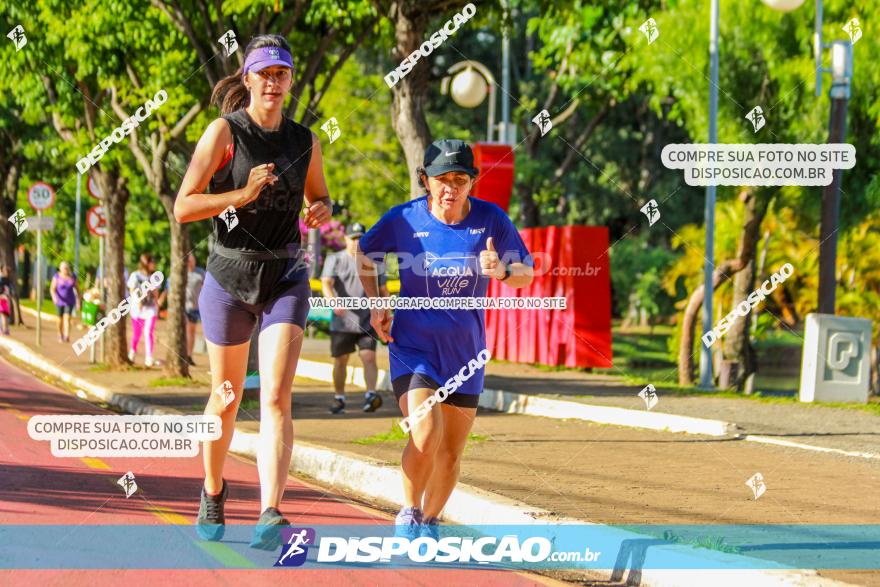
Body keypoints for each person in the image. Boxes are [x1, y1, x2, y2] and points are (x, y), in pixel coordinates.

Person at [174, 34, 332, 550]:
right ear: (248, 79)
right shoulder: (225, 133)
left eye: (282, 73)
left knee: (278, 396)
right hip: (229, 276)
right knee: (226, 398)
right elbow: (184, 206)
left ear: (289, 81)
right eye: (264, 73)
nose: (273, 81)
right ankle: (213, 489)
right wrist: (241, 195)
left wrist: (323, 209)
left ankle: (269, 511)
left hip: (284, 274)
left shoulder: (305, 140)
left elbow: (320, 195)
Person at [356, 139, 534, 540]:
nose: (450, 187)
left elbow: (527, 272)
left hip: (466, 354)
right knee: (425, 431)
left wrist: (502, 272)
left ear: (472, 182)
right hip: (413, 346)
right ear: (425, 180)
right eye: (441, 179)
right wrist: (376, 302)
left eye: (460, 178)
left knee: (451, 453)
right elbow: (366, 255)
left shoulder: (492, 220)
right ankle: (408, 511)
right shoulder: (403, 218)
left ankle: (430, 521)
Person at [321, 222, 389, 414]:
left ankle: (371, 395)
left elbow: (383, 290)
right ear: (346, 239)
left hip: (368, 320)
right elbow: (326, 283)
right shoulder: (336, 259)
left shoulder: (375, 261)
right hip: (343, 321)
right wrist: (334, 302)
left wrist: (386, 311)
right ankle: (339, 397)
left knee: (368, 357)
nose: (357, 242)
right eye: (353, 238)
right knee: (341, 359)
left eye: (360, 238)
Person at [127, 253, 161, 367]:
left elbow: (156, 291)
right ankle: (132, 351)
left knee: (148, 332)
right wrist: (139, 301)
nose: (154, 264)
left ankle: (149, 357)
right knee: (137, 334)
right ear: (146, 263)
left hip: (151, 308)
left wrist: (157, 303)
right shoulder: (135, 276)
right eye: (152, 262)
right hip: (137, 309)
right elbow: (132, 291)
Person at [50, 262, 80, 343]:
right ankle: (60, 334)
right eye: (64, 268)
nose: (65, 270)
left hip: (70, 301)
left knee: (67, 318)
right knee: (59, 319)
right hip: (59, 301)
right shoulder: (57, 276)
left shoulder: (72, 276)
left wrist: (78, 301)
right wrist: (54, 297)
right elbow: (52, 288)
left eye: (66, 268)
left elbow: (77, 289)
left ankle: (67, 335)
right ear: (60, 269)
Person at [184, 253, 205, 366]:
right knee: (185, 330)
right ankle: (182, 354)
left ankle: (189, 355)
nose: (192, 261)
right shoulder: (181, 272)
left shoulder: (200, 272)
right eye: (190, 260)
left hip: (195, 307)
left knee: (191, 331)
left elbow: (206, 286)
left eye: (193, 259)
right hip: (183, 307)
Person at [0, 264, 12, 335]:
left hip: (4, 298)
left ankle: (4, 330)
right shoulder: (4, 280)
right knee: (4, 314)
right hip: (4, 298)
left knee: (4, 314)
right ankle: (4, 329)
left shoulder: (4, 280)